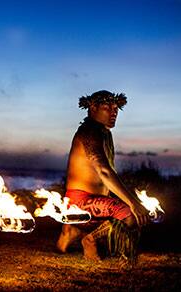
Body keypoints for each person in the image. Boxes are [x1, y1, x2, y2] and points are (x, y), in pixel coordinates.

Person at [56, 90, 150, 264]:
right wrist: (133, 204)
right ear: (93, 107)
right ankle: (89, 238)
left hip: (96, 201)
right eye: (107, 107)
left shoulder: (105, 133)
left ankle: (73, 231)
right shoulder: (89, 131)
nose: (113, 112)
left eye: (116, 108)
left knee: (138, 210)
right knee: (131, 214)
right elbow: (104, 171)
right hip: (81, 201)